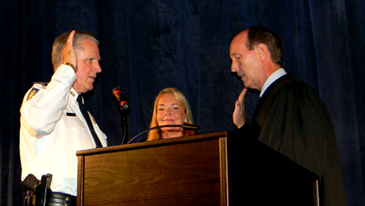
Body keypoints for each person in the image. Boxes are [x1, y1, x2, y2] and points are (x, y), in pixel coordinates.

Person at [229, 26, 346, 205]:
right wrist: (243, 127)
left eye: (238, 57)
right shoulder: (280, 96)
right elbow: (269, 156)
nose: (233, 68)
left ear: (262, 52)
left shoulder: (291, 95)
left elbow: (289, 176)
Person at [19, 30, 107, 205]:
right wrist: (67, 70)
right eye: (90, 60)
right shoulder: (40, 96)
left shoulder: (86, 115)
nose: (98, 68)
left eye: (97, 61)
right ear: (66, 60)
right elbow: (39, 122)